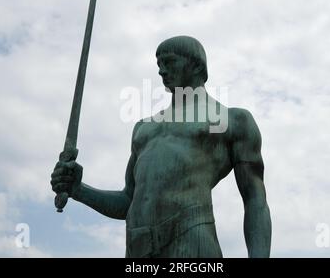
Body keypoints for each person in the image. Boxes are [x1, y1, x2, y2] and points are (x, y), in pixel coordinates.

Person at [51, 36, 271, 257]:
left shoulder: (231, 120)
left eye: (169, 62)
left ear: (196, 65)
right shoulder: (143, 129)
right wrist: (78, 190)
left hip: (191, 240)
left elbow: (255, 199)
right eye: (159, 65)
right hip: (137, 247)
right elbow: (128, 201)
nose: (162, 71)